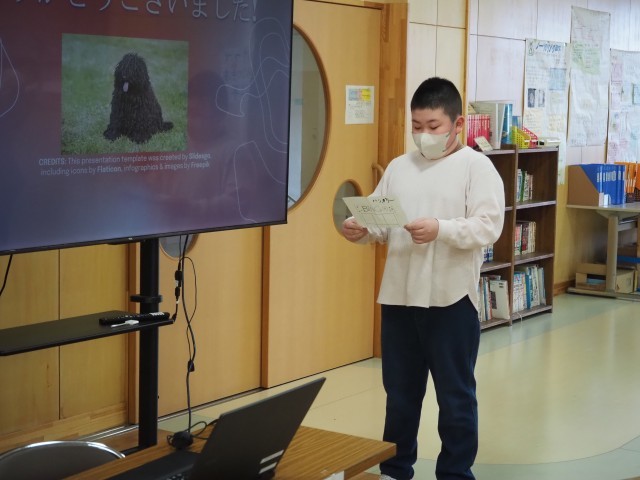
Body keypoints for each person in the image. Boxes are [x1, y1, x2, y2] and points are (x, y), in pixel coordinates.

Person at [341, 77, 505, 480]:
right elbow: (382, 223)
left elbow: (488, 226)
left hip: (451, 301)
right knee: (399, 397)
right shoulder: (400, 167)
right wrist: (361, 229)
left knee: (455, 399)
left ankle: (455, 473)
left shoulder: (477, 168)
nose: (423, 134)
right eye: (416, 126)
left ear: (457, 123)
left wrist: (441, 228)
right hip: (399, 298)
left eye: (433, 126)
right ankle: (395, 470)